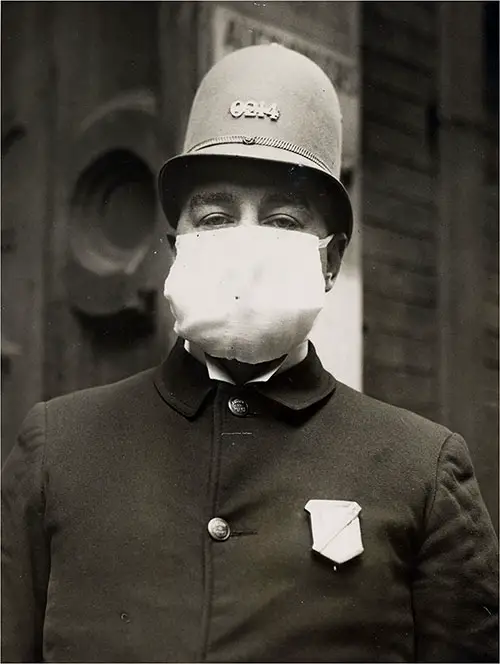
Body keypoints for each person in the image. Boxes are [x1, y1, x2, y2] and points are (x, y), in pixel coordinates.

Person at [1, 44, 498, 664]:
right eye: (214, 218)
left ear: (330, 261)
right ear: (175, 247)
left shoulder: (421, 472)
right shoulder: (59, 450)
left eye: (283, 221)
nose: (244, 246)